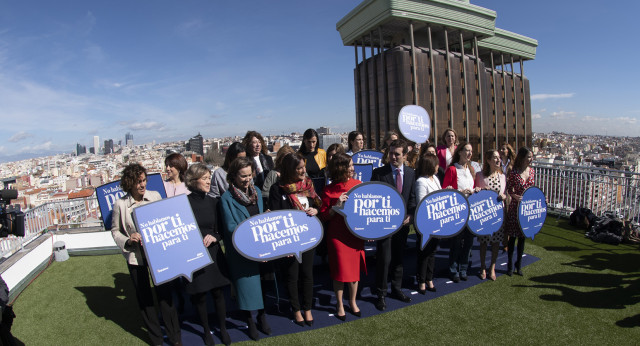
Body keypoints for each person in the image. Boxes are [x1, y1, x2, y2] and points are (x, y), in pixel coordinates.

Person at [110, 163, 181, 345]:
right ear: (129, 184)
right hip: (136, 257)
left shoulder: (155, 196)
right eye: (138, 182)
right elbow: (115, 231)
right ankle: (156, 339)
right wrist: (128, 239)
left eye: (144, 180)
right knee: (145, 299)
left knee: (165, 296)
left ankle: (175, 338)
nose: (142, 185)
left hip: (159, 255)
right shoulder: (120, 205)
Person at [219, 157, 271, 340]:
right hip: (241, 250)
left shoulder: (256, 191)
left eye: (250, 175)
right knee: (246, 287)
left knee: (263, 283)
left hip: (261, 248)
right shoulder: (226, 198)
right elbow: (231, 227)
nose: (248, 179)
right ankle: (250, 321)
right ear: (233, 176)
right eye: (243, 176)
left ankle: (262, 316)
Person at [268, 153, 321, 327]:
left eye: (303, 167)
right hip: (290, 241)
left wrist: (315, 210)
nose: (303, 171)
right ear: (290, 169)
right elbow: (277, 217)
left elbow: (316, 203)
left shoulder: (308, 184)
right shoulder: (277, 189)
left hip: (308, 237)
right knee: (292, 276)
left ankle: (307, 309)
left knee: (307, 274)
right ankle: (296, 310)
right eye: (299, 168)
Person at [185, 163, 232, 345]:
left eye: (208, 177)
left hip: (213, 251)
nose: (208, 181)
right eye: (204, 178)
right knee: (201, 295)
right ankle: (206, 331)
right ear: (193, 180)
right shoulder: (184, 204)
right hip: (195, 253)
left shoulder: (214, 201)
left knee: (218, 293)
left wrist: (214, 236)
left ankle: (223, 328)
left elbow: (220, 229)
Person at [371, 139, 416, 311]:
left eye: (397, 154)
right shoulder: (379, 173)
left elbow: (412, 197)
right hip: (384, 226)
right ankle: (381, 294)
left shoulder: (411, 173)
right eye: (391, 153)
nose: (393, 157)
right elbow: (374, 199)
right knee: (384, 259)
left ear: (405, 156)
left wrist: (411, 214)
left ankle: (396, 289)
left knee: (398, 259)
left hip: (403, 226)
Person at [319, 153, 365, 321]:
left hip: (354, 234)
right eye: (349, 166)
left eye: (352, 165)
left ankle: (352, 302)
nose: (353, 169)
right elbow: (324, 216)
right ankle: (339, 304)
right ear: (340, 168)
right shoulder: (328, 190)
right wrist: (336, 207)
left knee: (354, 271)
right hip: (337, 236)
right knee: (339, 272)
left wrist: (370, 230)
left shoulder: (358, 185)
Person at [442, 142, 477, 283]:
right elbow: (445, 189)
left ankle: (463, 269)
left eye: (471, 151)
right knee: (456, 242)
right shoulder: (452, 169)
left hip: (471, 210)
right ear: (460, 152)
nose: (469, 153)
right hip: (458, 210)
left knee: (468, 242)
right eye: (467, 150)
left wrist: (475, 191)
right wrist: (460, 192)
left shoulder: (471, 169)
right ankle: (453, 269)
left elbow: (473, 187)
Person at [474, 150, 507, 281]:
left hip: (498, 214)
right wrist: (480, 190)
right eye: (495, 158)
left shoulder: (503, 177)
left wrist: (504, 196)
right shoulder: (480, 175)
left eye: (499, 158)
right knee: (483, 242)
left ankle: (492, 267)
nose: (498, 160)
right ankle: (482, 267)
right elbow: (476, 194)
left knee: (496, 242)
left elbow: (504, 193)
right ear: (488, 160)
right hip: (485, 215)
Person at [504, 147, 535, 276]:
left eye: (531, 157)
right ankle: (510, 265)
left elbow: (533, 189)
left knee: (522, 238)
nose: (530, 159)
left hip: (526, 208)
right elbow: (508, 189)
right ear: (522, 157)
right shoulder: (514, 172)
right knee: (513, 238)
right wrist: (514, 196)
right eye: (528, 156)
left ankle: (519, 264)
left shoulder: (532, 171)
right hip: (515, 208)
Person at [414, 153, 442, 293]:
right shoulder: (421, 181)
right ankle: (421, 281)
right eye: (436, 164)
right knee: (424, 253)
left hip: (436, 223)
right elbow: (421, 203)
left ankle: (429, 279)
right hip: (425, 224)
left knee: (432, 252)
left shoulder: (435, 179)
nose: (438, 166)